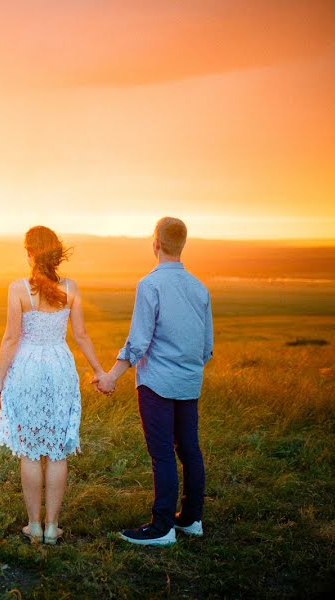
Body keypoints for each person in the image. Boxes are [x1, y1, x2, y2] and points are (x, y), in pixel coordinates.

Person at [95, 217, 213, 546]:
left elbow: (138, 342)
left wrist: (111, 377)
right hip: (189, 384)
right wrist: (186, 368)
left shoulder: (150, 285)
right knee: (189, 449)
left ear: (156, 244)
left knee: (161, 453)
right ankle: (191, 519)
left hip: (157, 384)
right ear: (182, 244)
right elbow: (206, 347)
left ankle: (162, 528)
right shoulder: (200, 288)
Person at [0, 225, 107, 544]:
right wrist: (99, 370)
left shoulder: (17, 289)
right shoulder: (71, 287)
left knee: (30, 450)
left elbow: (12, 338)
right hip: (59, 366)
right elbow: (81, 335)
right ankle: (53, 527)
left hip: (27, 368)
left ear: (29, 253)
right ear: (55, 253)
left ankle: (35, 526)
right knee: (57, 450)